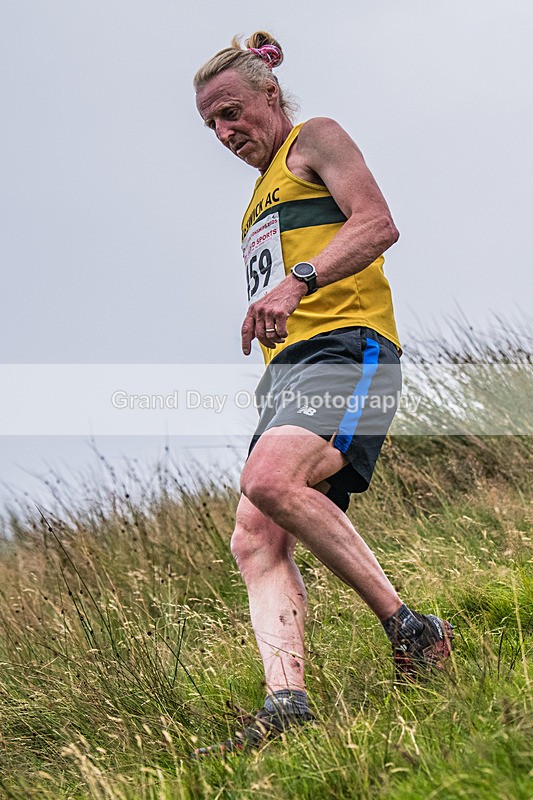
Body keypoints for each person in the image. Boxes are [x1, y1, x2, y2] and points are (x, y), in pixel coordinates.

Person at [193, 31, 453, 756]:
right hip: (289, 374)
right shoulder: (254, 201)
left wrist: (295, 281)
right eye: (211, 124)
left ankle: (412, 628)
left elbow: (376, 223)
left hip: (349, 348)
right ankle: (287, 703)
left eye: (232, 112)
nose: (223, 132)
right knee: (254, 534)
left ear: (269, 95)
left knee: (267, 480)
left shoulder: (316, 137)